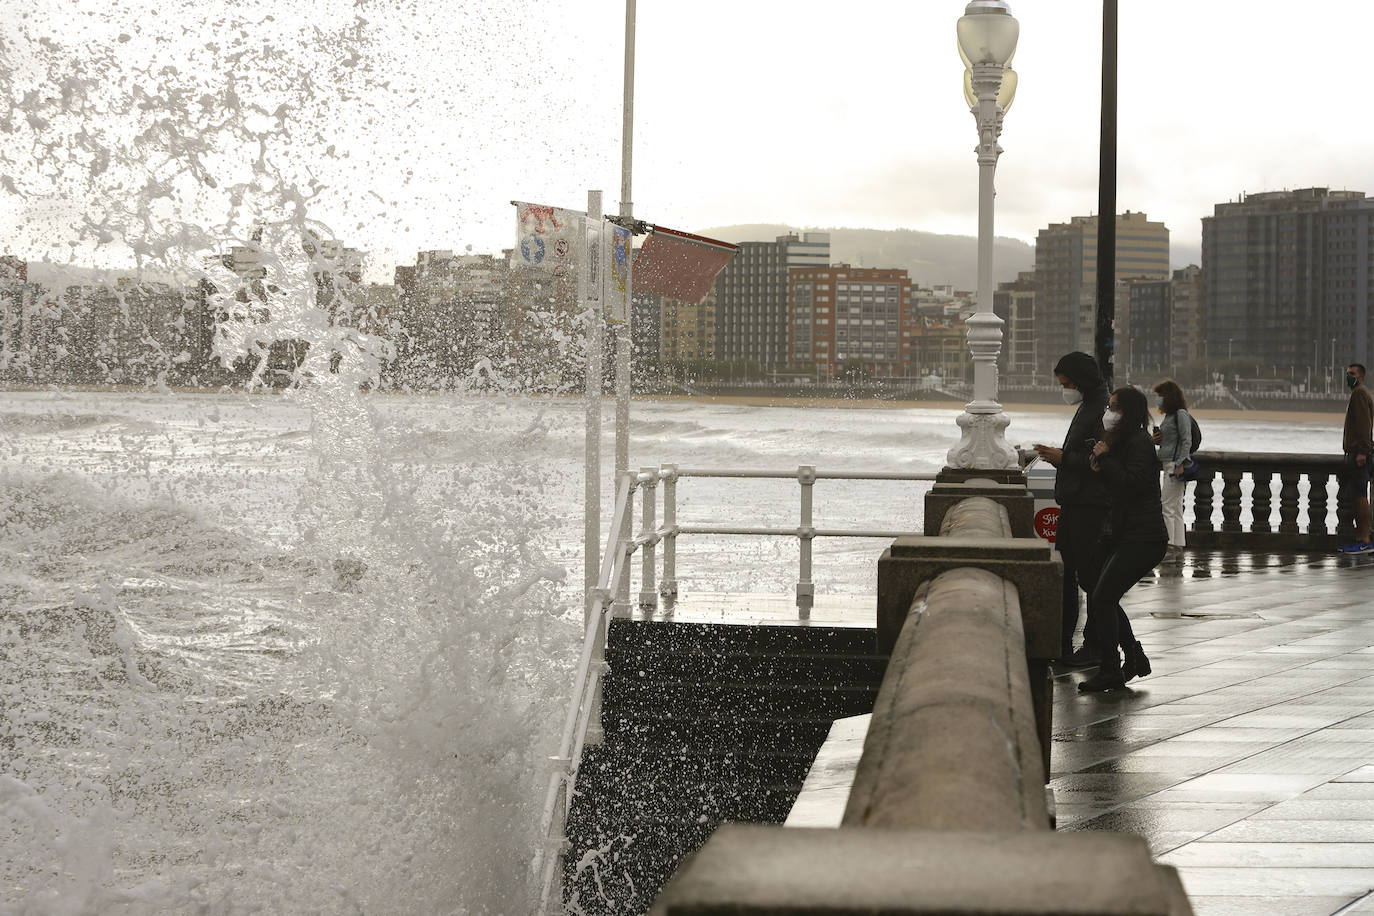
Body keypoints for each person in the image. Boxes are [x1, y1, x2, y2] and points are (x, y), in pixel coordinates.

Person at [1079, 387, 1168, 692]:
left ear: (1128, 411)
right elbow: (1117, 485)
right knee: (1099, 592)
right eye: (1109, 406)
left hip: (1144, 537)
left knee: (1102, 598)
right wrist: (1100, 464)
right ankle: (1131, 658)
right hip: (1124, 533)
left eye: (1115, 407)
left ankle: (1112, 668)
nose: (1109, 412)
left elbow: (1133, 484)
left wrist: (1107, 461)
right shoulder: (1122, 441)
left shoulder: (1140, 442)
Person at [1033, 352, 1110, 664]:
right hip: (1075, 503)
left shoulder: (1101, 411)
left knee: (1090, 579)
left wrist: (1063, 459)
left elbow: (1103, 462)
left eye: (1066, 384)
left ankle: (1095, 648)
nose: (1064, 389)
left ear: (1080, 381)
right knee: (1069, 575)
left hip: (1089, 507)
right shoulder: (1090, 406)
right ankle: (1066, 642)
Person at [1151, 379, 1193, 564]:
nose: (1158, 400)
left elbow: (1186, 440)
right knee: (1175, 506)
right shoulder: (1170, 416)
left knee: (1167, 505)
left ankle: (1168, 546)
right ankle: (1177, 545)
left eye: (1160, 396)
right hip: (1169, 462)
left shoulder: (1180, 414)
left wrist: (1180, 462)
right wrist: (1158, 439)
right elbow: (1172, 441)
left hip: (1174, 465)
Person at [1338, 363, 1374, 553]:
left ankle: (1365, 539)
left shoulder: (1359, 393)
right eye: (1347, 373)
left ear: (1361, 377)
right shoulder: (1361, 393)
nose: (1348, 377)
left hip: (1359, 455)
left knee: (1360, 497)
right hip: (1358, 452)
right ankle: (1361, 538)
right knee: (1356, 495)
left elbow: (1363, 425)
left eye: (1352, 374)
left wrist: (1362, 451)